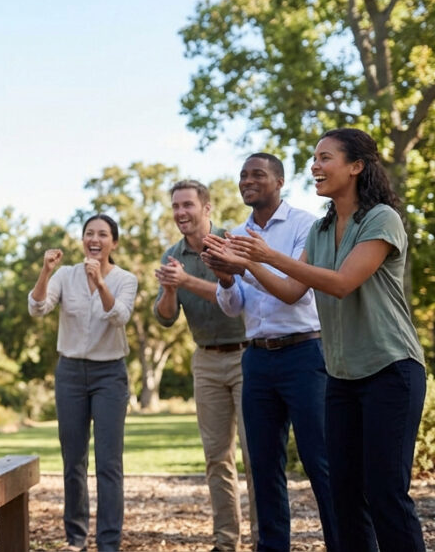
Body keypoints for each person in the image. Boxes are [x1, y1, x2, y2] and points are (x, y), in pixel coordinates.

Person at [204, 129, 426, 551]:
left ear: (356, 166)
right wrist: (243, 266)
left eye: (325, 158)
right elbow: (291, 291)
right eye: (314, 158)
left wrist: (267, 255)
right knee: (344, 494)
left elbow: (341, 283)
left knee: (385, 493)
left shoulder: (381, 219)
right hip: (341, 375)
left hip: (390, 369)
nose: (315, 166)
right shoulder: (322, 229)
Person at [201, 153, 338, 552]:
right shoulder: (236, 235)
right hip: (257, 358)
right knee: (262, 465)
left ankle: (343, 542)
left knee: (320, 461)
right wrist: (226, 279)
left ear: (279, 181)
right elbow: (233, 307)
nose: (247, 180)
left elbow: (294, 293)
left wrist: (243, 268)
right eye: (243, 175)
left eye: (257, 174)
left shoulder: (305, 226)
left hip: (304, 354)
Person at [152, 180, 257, 551]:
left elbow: (235, 300)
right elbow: (166, 318)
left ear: (207, 208)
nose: (181, 212)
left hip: (247, 356)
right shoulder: (172, 256)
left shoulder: (231, 243)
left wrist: (185, 280)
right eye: (176, 206)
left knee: (255, 454)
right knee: (216, 458)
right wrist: (170, 289)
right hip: (206, 361)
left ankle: (264, 540)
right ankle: (226, 542)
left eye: (188, 205)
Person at [28, 214, 137, 552]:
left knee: (108, 463)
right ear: (82, 240)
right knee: (73, 460)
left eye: (103, 234)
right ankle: (76, 538)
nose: (95, 239)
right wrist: (45, 272)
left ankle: (108, 542)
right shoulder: (65, 275)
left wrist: (101, 283)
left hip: (110, 375)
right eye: (89, 233)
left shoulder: (125, 279)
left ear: (113, 243)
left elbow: (119, 317)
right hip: (71, 374)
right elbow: (37, 308)